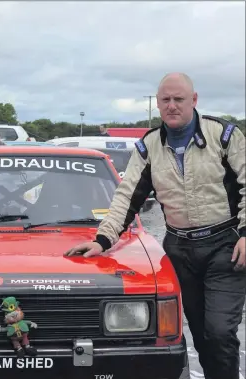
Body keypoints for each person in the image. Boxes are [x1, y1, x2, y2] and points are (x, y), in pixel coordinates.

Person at [65, 72, 245, 379]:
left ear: (194, 100)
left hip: (225, 247)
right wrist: (102, 241)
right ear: (158, 104)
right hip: (179, 249)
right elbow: (127, 196)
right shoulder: (147, 147)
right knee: (201, 335)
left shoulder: (225, 136)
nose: (172, 106)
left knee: (219, 333)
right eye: (166, 100)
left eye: (179, 99)